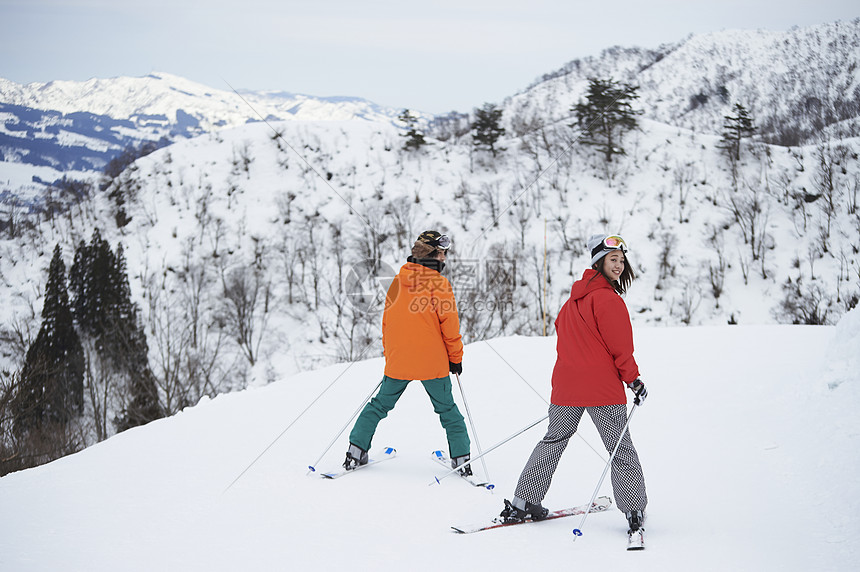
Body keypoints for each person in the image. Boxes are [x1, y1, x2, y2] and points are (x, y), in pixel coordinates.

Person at [501, 233, 649, 537]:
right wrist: (633, 380)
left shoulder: (570, 303)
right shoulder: (609, 300)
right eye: (613, 259)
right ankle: (633, 509)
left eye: (622, 259)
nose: (619, 265)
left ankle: (522, 501)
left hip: (566, 389)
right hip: (602, 391)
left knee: (553, 441)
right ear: (598, 262)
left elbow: (564, 336)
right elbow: (621, 348)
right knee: (620, 449)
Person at [343, 230, 472, 475]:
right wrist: (455, 359)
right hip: (432, 364)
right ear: (434, 254)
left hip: (399, 362)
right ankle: (462, 460)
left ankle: (355, 452)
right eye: (443, 253)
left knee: (379, 406)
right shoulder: (440, 284)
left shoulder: (396, 281)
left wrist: (391, 355)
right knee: (448, 411)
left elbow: (387, 324)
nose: (445, 258)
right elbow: (450, 328)